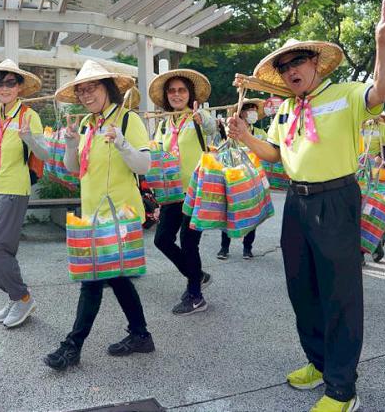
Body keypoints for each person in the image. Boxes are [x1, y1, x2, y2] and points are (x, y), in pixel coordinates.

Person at [227, 0, 385, 412]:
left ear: (315, 64)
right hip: (297, 202)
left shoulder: (345, 95)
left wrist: (384, 45)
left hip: (336, 199)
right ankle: (318, 361)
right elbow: (274, 154)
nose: (291, 70)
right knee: (302, 289)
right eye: (284, 65)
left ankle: (343, 389)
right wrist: (244, 137)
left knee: (340, 294)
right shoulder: (286, 109)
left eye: (299, 62)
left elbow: (383, 91)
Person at [44, 60, 154, 371]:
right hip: (93, 215)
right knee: (117, 278)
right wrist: (70, 144)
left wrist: (120, 141)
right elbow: (74, 168)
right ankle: (141, 335)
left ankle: (72, 346)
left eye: (92, 87)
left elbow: (144, 166)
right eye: (81, 90)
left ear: (108, 88)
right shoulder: (85, 125)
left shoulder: (129, 119)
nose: (86, 94)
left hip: (120, 214)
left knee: (91, 280)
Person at [0, 59, 48, 329]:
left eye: (10, 83)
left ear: (19, 87)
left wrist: (29, 138)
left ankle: (23, 296)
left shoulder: (29, 116)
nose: (4, 88)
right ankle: (14, 298)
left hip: (15, 187)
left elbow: (44, 153)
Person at [148, 69, 215, 315]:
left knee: (189, 244)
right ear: (167, 96)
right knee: (161, 240)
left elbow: (212, 130)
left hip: (196, 192)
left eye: (182, 90)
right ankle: (196, 274)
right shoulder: (164, 124)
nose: (177, 95)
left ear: (190, 94)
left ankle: (196, 296)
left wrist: (202, 118)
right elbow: (159, 154)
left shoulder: (198, 117)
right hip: (171, 194)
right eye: (172, 90)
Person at [219, 98, 267, 261]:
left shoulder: (261, 133)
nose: (253, 112)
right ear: (241, 113)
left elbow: (266, 152)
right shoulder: (231, 131)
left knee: (251, 212)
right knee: (229, 212)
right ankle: (224, 248)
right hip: (233, 178)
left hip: (253, 179)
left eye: (255, 109)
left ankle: (248, 248)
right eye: (249, 109)